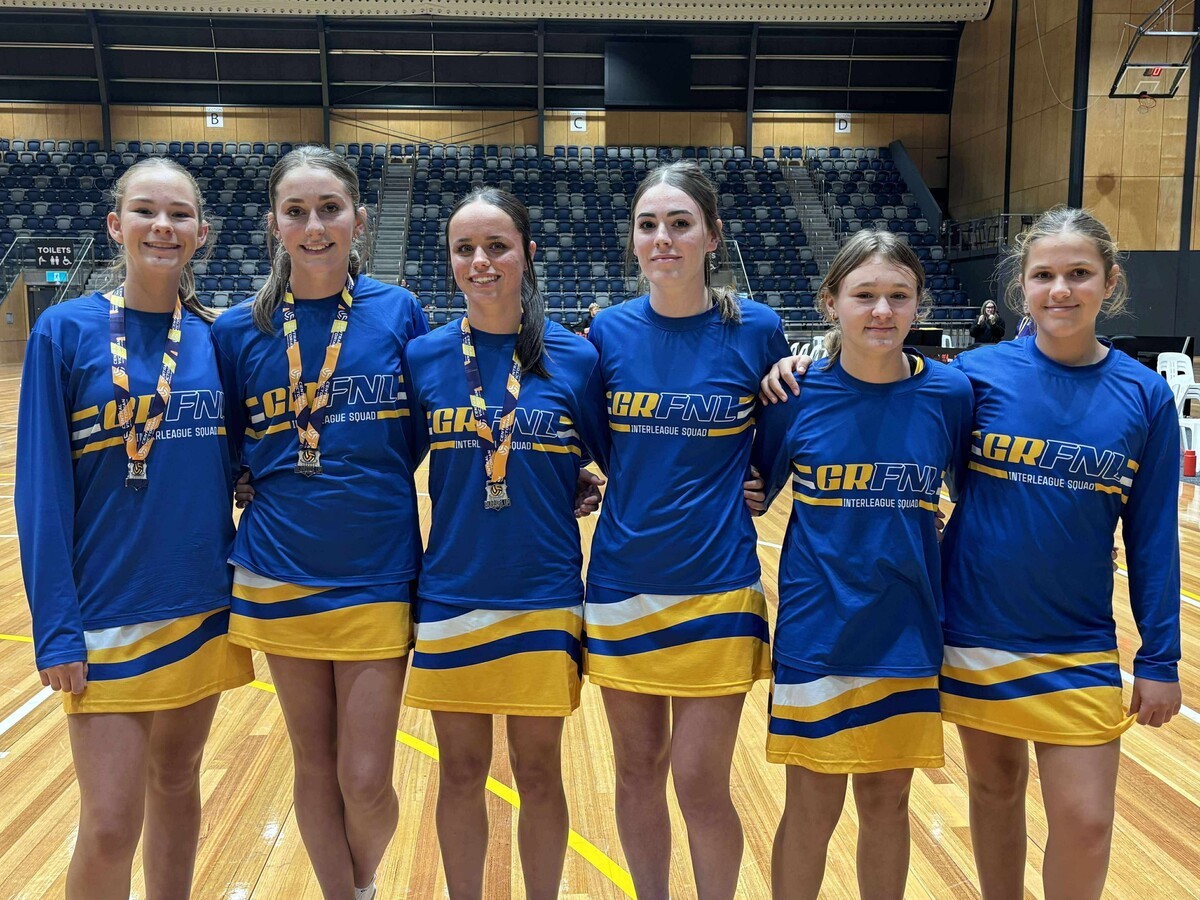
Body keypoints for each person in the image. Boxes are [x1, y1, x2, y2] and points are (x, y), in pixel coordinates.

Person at [15, 157, 254, 900]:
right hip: (104, 614)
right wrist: (55, 628)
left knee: (180, 783)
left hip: (201, 603)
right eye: (147, 211)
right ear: (116, 226)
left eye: (180, 215)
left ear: (202, 234)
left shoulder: (220, 339)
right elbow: (42, 493)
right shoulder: (63, 331)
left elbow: (256, 455)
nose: (163, 226)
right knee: (112, 822)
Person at [938, 206, 1182, 900]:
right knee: (993, 790)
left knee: (1085, 821)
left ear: (1111, 282)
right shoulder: (974, 378)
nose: (1061, 290)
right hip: (975, 629)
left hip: (1077, 639)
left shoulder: (1145, 396)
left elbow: (1153, 536)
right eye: (1044, 275)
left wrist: (1159, 655)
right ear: (1023, 285)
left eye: (1079, 273)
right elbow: (903, 442)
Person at [211, 145, 427, 900]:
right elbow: (225, 437)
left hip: (377, 566)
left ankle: (363, 884)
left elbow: (434, 428)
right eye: (296, 211)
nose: (314, 226)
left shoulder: (399, 311)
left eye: (329, 209)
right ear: (273, 223)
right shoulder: (237, 330)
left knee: (365, 777)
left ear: (359, 220)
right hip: (277, 571)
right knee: (313, 762)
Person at [584, 160, 789, 899]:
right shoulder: (605, 333)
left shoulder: (757, 329)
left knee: (700, 780)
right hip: (621, 583)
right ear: (633, 241)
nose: (663, 238)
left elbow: (790, 426)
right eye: (648, 225)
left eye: (679, 224)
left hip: (718, 587)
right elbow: (587, 438)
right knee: (637, 771)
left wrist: (765, 476)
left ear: (712, 236)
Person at [752, 230, 973, 900]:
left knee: (887, 805)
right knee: (811, 810)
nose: (882, 310)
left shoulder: (951, 395)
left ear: (918, 305)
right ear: (831, 302)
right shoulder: (793, 394)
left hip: (906, 636)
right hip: (817, 637)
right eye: (865, 295)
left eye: (898, 296)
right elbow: (752, 492)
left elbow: (979, 502)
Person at [402, 187, 609, 899]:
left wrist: (590, 480)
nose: (481, 261)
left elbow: (630, 456)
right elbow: (380, 459)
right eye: (465, 249)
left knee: (539, 770)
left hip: (543, 589)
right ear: (451, 260)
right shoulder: (425, 355)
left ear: (528, 253)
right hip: (452, 589)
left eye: (497, 246)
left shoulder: (577, 359)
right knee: (458, 770)